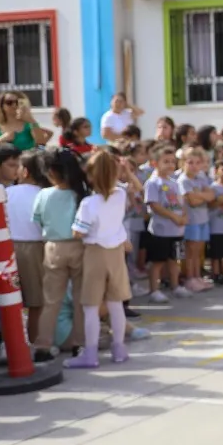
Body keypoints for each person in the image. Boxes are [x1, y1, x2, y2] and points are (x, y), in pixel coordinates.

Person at [65, 150, 134, 369]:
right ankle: (119, 348)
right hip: (116, 252)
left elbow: (78, 232)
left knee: (91, 306)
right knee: (116, 304)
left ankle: (91, 353)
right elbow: (131, 188)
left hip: (95, 252)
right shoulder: (120, 195)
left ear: (90, 176)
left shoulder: (88, 203)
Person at [35, 149, 89, 356]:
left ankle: (43, 343)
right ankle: (79, 342)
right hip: (78, 245)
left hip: (52, 246)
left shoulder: (43, 194)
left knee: (51, 300)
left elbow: (37, 220)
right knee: (79, 298)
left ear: (49, 172)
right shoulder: (81, 194)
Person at [5, 149, 51, 363]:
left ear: (25, 171)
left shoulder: (7, 192)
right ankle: (35, 342)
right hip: (35, 247)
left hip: (5, 248)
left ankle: (11, 343)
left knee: (9, 300)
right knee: (36, 302)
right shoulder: (44, 194)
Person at [143, 147, 188, 304]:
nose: (170, 165)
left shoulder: (174, 183)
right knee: (158, 261)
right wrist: (173, 217)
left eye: (172, 162)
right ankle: (154, 290)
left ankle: (175, 286)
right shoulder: (153, 183)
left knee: (174, 259)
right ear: (155, 163)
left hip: (176, 230)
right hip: (161, 230)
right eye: (166, 162)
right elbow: (154, 205)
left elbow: (181, 203)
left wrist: (183, 216)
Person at [178, 146, 215, 294]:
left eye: (197, 162)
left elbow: (211, 195)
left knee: (199, 250)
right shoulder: (183, 180)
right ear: (183, 163)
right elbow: (192, 201)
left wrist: (198, 195)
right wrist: (202, 196)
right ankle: (190, 278)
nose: (194, 166)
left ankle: (197, 276)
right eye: (190, 162)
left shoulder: (201, 177)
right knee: (190, 251)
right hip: (191, 220)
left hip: (203, 219)